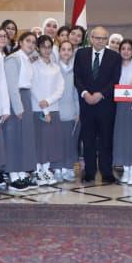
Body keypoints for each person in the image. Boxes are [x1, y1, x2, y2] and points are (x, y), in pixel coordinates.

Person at [74, 27, 124, 184]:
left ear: (107, 40)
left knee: (106, 140)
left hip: (106, 105)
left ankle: (106, 172)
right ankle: (89, 172)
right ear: (91, 38)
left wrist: (100, 94)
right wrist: (85, 94)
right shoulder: (81, 54)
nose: (100, 41)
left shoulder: (114, 57)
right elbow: (77, 77)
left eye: (103, 38)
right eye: (97, 38)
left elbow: (115, 79)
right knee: (88, 139)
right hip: (86, 104)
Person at [3, 32, 40, 189]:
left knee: (24, 138)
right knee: (14, 138)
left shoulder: (27, 58)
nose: (31, 44)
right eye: (28, 41)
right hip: (16, 100)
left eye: (33, 42)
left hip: (26, 97)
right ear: (20, 42)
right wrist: (18, 107)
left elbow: (38, 55)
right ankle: (13, 174)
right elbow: (11, 86)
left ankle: (22, 172)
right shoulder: (13, 59)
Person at [30, 35, 64, 185]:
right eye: (44, 47)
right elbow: (34, 88)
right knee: (40, 141)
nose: (47, 50)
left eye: (49, 47)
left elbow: (60, 88)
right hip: (38, 109)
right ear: (38, 48)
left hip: (54, 108)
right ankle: (38, 171)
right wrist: (45, 109)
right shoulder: (34, 65)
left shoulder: (56, 67)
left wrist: (49, 101)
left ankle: (46, 170)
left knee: (51, 141)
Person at [112, 39, 132, 185]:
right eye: (123, 48)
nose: (126, 51)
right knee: (122, 138)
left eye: (129, 49)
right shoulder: (115, 66)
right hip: (119, 106)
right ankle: (125, 169)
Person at [54, 40, 81, 182]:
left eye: (69, 49)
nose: (66, 52)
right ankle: (57, 168)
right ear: (59, 52)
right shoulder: (54, 69)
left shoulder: (75, 71)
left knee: (70, 142)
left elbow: (76, 93)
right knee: (58, 142)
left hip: (71, 111)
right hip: (57, 111)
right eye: (63, 49)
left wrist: (77, 112)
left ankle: (68, 167)